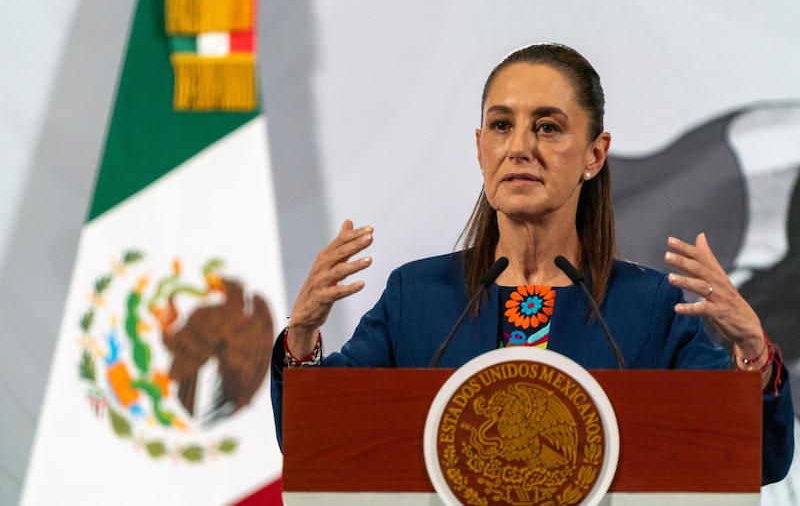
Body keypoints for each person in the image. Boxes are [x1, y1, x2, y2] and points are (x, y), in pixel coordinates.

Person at [270, 43, 794, 484]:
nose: (519, 147)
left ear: (594, 154)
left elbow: (757, 460)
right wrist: (302, 336)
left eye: (547, 128)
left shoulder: (647, 306)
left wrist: (752, 352)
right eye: (501, 125)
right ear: (480, 148)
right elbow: (314, 442)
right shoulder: (418, 297)